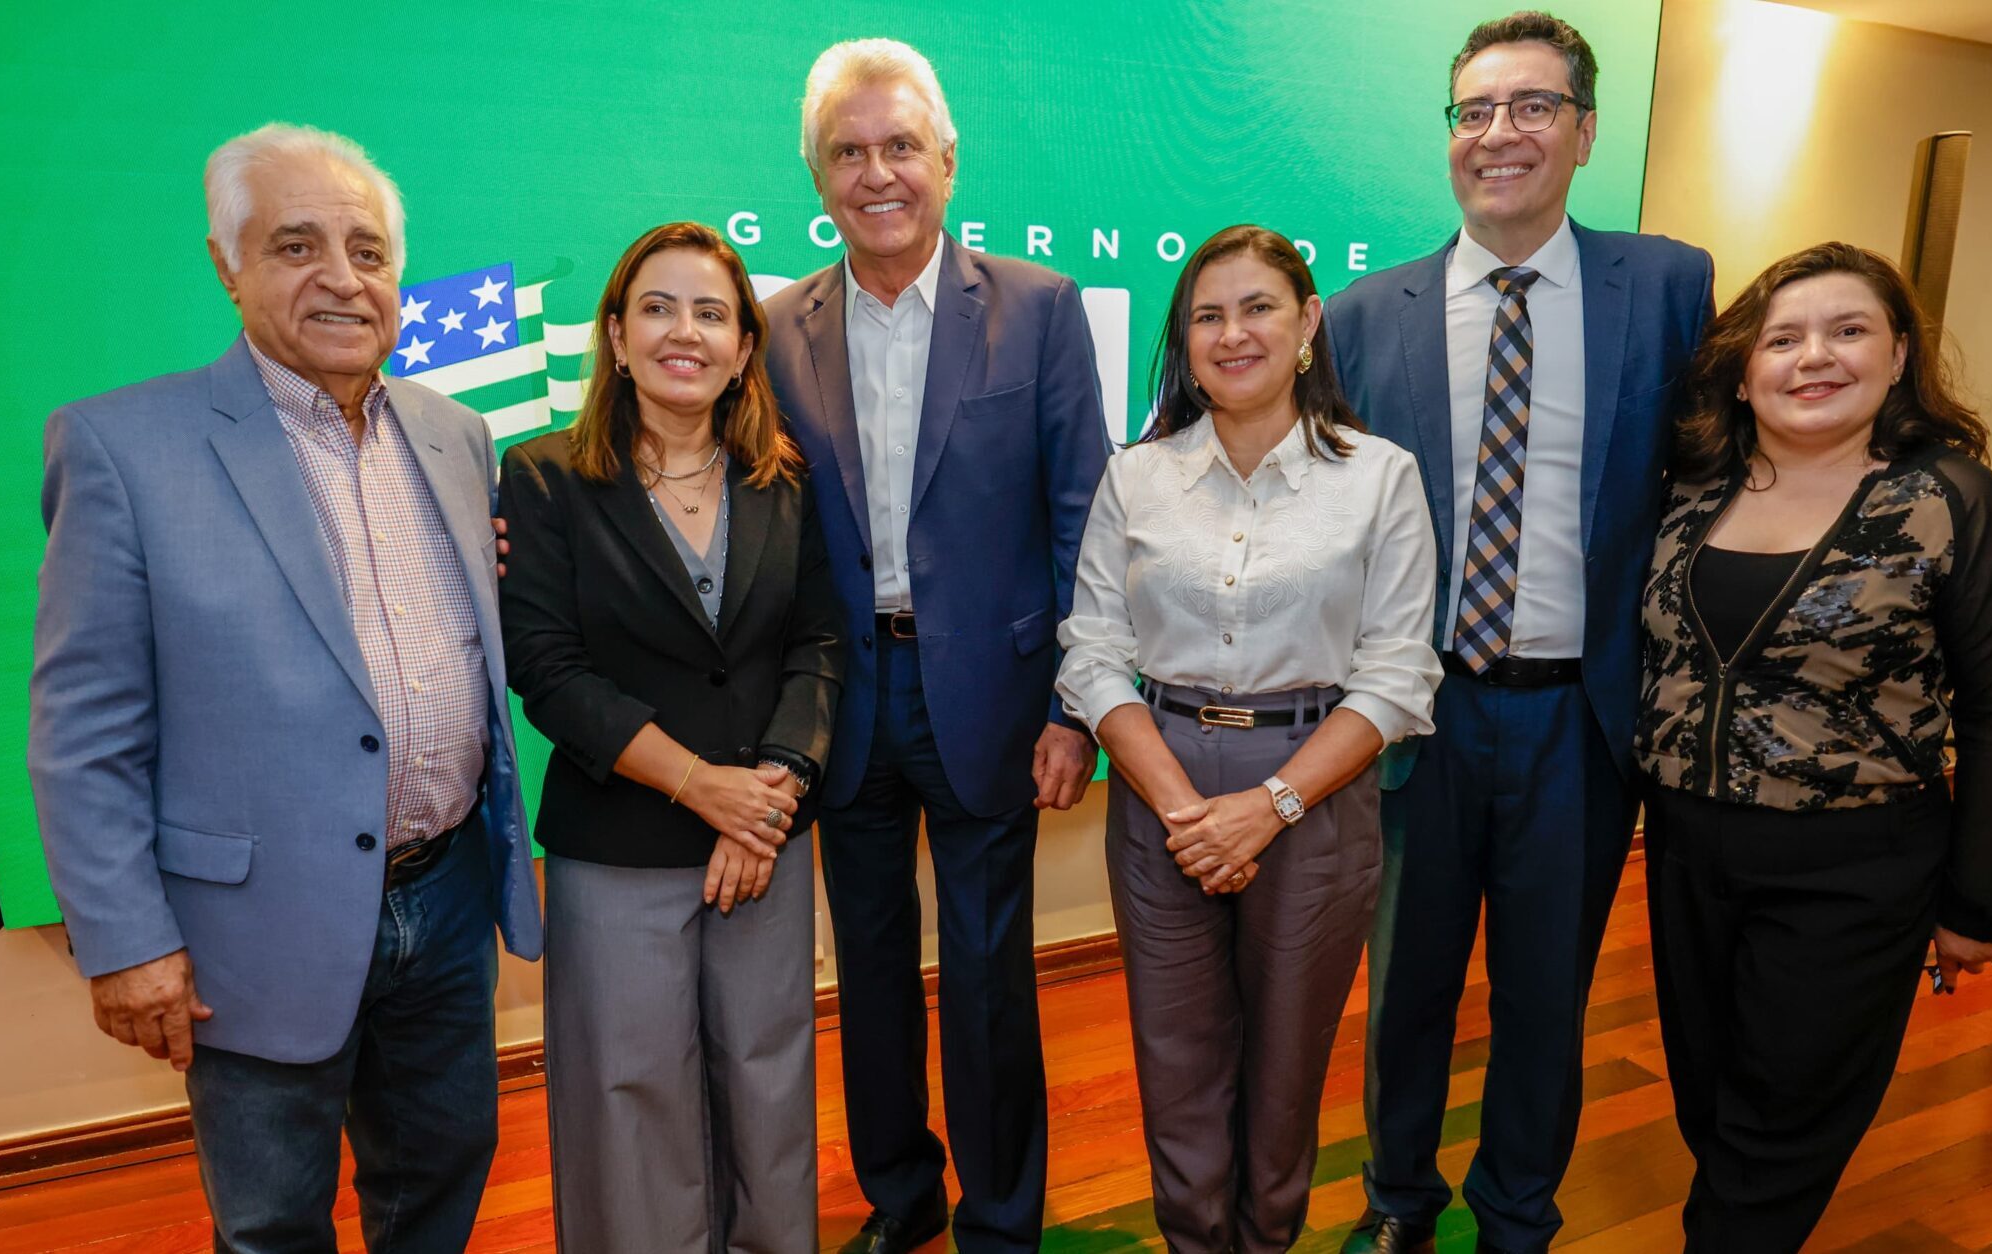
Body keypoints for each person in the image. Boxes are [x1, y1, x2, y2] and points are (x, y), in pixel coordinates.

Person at [28, 123, 541, 1252]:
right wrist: (124, 940)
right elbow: (82, 734)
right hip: (251, 931)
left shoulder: (458, 437)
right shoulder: (122, 448)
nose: (342, 279)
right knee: (271, 1222)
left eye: (368, 251)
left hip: (446, 896)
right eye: (297, 246)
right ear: (228, 264)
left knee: (441, 1178)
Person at [1324, 12, 1718, 1253]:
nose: (1499, 133)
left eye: (1532, 106)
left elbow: (1720, 469)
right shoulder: (1361, 316)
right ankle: (1398, 1202)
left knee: (1546, 995)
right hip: (1416, 715)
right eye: (1474, 111)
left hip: (1578, 720)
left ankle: (1515, 1215)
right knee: (1406, 987)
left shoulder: (1667, 288)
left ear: (1585, 131)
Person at [1636, 242, 1992, 1252]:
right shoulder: (1689, 493)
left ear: (1899, 354)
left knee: (1778, 1129)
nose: (1813, 357)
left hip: (1853, 866)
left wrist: (1982, 902)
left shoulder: (1957, 504)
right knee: (1712, 1104)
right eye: (1782, 339)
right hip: (1685, 854)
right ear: (1743, 369)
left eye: (1848, 330)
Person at [762, 37, 1113, 1254]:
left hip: (994, 698)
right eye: (847, 153)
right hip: (840, 700)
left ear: (948, 161)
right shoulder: (774, 327)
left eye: (900, 147)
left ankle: (1000, 1220)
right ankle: (899, 1197)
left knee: (986, 974)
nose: (877, 174)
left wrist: (1073, 708)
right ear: (816, 175)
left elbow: (1084, 519)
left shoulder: (1038, 308)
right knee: (865, 972)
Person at [1057, 225, 1440, 1253]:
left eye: (1258, 307)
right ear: (1184, 342)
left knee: (1283, 1075)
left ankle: (1266, 1239)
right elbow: (1093, 653)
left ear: (1308, 323)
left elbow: (1397, 675)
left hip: (1316, 794)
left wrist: (1269, 808)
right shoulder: (1137, 476)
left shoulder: (1379, 476)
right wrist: (1187, 812)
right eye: (1207, 316)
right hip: (1162, 791)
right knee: (1175, 1066)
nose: (1232, 334)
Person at [497, 220, 846, 1252]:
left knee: (769, 1083)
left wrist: (770, 792)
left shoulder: (785, 479)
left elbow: (820, 644)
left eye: (710, 313)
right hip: (620, 846)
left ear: (743, 348)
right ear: (615, 336)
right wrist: (704, 787)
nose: (682, 332)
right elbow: (548, 672)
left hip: (765, 844)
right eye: (656, 308)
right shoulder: (544, 479)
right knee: (630, 1098)